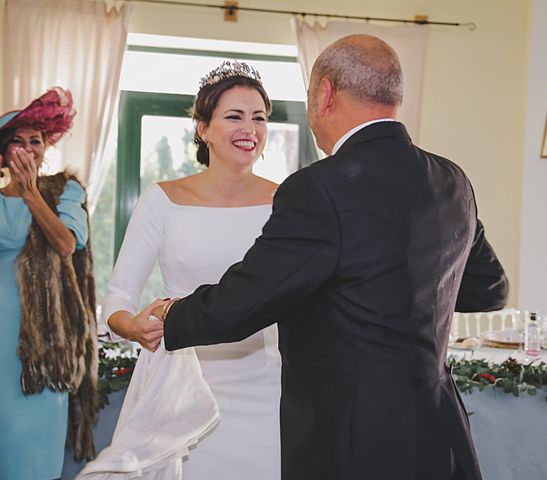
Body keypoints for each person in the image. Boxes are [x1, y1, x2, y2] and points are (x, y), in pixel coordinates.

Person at [158, 35, 509, 480]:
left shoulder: (318, 188)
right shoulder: (451, 180)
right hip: (437, 434)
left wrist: (170, 316)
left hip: (350, 443)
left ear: (324, 94)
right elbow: (489, 289)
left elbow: (248, 299)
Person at [103, 61, 281, 479]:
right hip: (182, 385)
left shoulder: (286, 202)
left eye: (259, 118)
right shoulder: (162, 200)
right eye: (234, 116)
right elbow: (118, 297)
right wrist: (131, 326)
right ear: (202, 127)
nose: (249, 129)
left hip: (265, 385)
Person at [0, 87, 98, 480]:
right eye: (17, 141)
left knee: (32, 452)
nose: (27, 148)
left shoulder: (65, 191)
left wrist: (31, 195)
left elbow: (66, 243)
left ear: (45, 148)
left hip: (43, 342)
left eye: (34, 141)